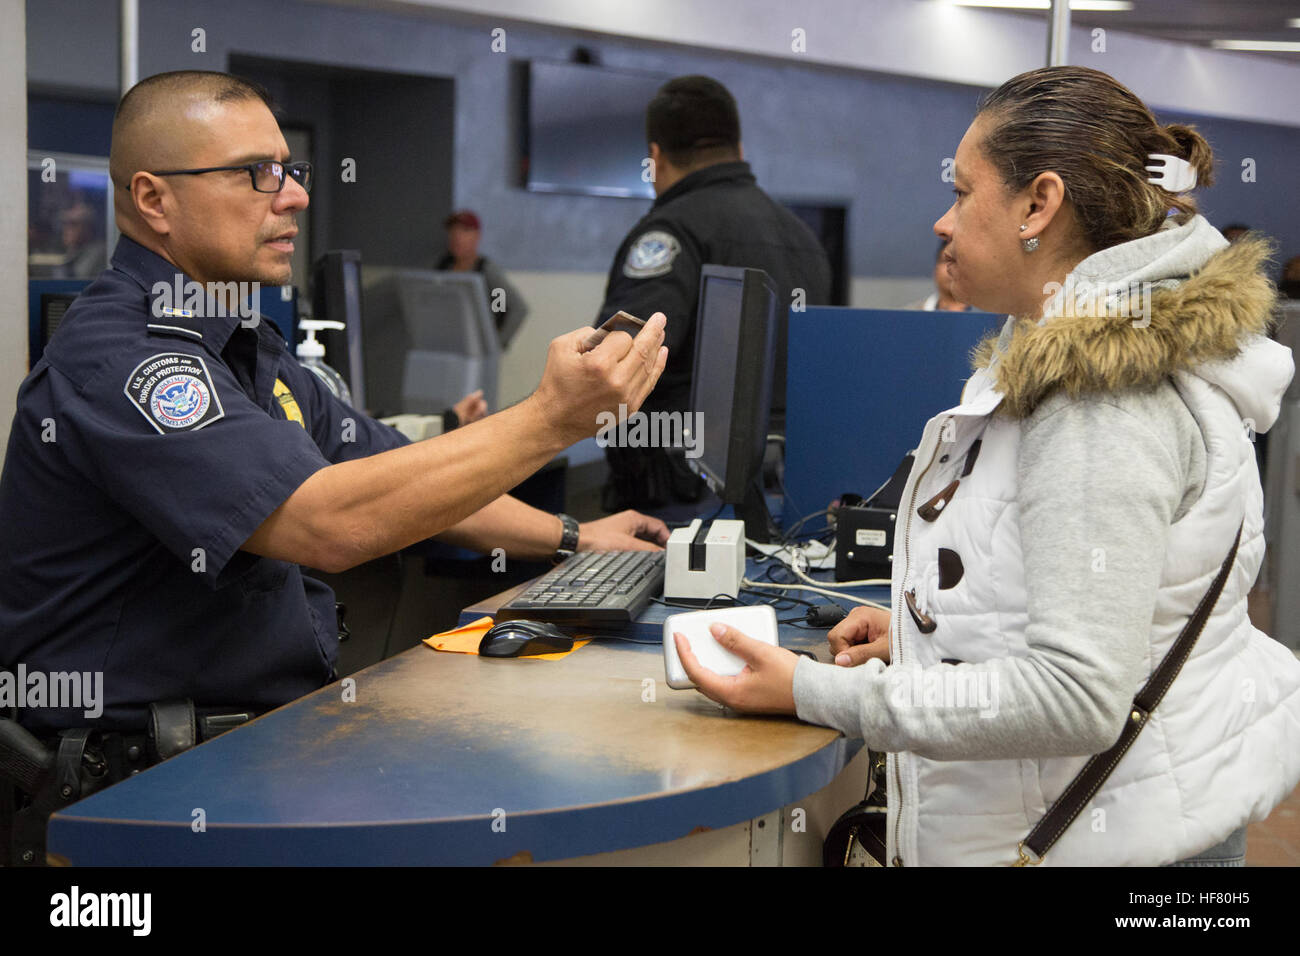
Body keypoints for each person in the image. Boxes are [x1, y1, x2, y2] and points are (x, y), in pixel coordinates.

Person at [673, 66, 1300, 866]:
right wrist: (925, 642)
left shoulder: (1098, 400)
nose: (942, 220)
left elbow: (1078, 696)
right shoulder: (1103, 357)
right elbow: (1123, 611)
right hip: (1153, 818)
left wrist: (814, 692)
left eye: (963, 193)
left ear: (1039, 205)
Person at [0, 71, 669, 746]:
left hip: (254, 738)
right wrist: (552, 418)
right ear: (154, 199)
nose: (294, 196)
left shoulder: (242, 342)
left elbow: (400, 470)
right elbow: (327, 524)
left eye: (290, 170)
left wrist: (572, 538)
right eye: (255, 173)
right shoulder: (127, 360)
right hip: (141, 782)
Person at [596, 75, 832, 512]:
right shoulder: (803, 236)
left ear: (656, 157)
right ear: (739, 150)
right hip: (789, 500)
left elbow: (618, 362)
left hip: (677, 501)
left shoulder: (671, 232)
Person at [436, 209, 530, 349]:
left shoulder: (486, 271)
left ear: (477, 236)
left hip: (476, 348)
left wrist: (497, 344)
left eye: (464, 231)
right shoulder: (443, 267)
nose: (457, 237)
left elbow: (512, 307)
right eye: (453, 231)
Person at [904, 241, 971, 311]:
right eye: (947, 261)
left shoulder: (983, 312)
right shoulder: (909, 316)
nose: (953, 269)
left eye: (961, 262)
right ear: (936, 270)